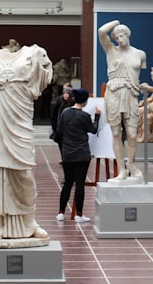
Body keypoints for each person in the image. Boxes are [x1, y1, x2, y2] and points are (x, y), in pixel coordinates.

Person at [0, 43, 53, 243]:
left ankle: (29, 221)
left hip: (20, 119)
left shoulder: (33, 54)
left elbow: (45, 76)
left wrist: (42, 62)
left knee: (24, 173)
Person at [98, 20, 146, 181]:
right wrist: (116, 23)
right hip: (114, 94)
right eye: (117, 37)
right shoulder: (111, 50)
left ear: (128, 34)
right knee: (116, 133)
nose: (120, 39)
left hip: (131, 94)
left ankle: (131, 164)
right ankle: (121, 170)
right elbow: (101, 32)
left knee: (132, 135)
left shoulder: (140, 54)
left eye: (122, 35)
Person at [54, 88, 100, 223]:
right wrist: (97, 116)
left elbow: (60, 130)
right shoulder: (84, 116)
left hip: (67, 153)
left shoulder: (65, 112)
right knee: (79, 183)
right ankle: (79, 215)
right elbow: (93, 129)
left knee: (67, 182)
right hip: (82, 153)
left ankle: (61, 213)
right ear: (85, 101)